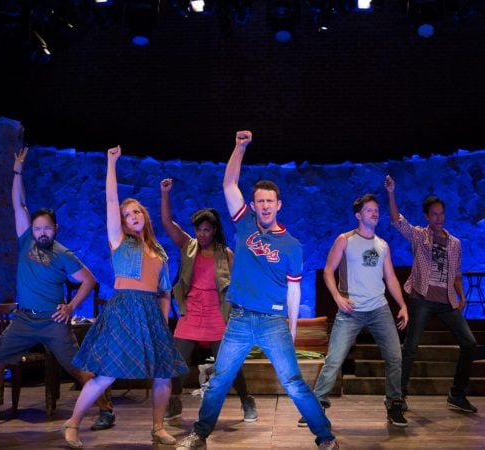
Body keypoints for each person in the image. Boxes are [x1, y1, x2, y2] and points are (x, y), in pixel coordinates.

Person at [176, 131, 338, 450]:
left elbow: (294, 292)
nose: (265, 206)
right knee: (219, 380)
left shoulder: (292, 246)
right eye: (260, 201)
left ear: (279, 205)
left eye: (270, 201)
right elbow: (228, 185)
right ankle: (200, 434)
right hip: (238, 319)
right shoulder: (246, 224)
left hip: (273, 322)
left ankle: (326, 437)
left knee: (293, 383)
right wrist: (239, 148)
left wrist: (292, 329)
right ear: (254, 205)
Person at [0, 147, 113, 431]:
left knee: (77, 368)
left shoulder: (63, 254)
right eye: (37, 228)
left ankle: (106, 410)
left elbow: (89, 280)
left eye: (46, 228)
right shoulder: (26, 241)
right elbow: (18, 206)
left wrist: (71, 307)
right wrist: (17, 171)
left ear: (55, 229)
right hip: (24, 319)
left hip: (53, 321)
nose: (41, 233)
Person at [62, 145, 188, 448]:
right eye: (126, 213)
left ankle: (157, 428)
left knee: (163, 374)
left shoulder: (158, 251)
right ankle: (72, 423)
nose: (132, 215)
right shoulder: (119, 242)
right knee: (106, 374)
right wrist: (111, 164)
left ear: (143, 215)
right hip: (124, 307)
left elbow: (165, 291)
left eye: (136, 211)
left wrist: (161, 321)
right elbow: (110, 200)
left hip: (150, 312)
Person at [300, 193, 409, 427]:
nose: (375, 212)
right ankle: (316, 406)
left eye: (376, 209)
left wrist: (402, 305)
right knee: (334, 359)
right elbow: (328, 271)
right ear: (359, 215)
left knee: (395, 357)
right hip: (351, 309)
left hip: (379, 308)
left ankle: (394, 404)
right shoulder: (345, 240)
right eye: (369, 210)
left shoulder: (382, 245)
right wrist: (338, 297)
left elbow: (390, 278)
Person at [159, 178, 258, 423]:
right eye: (198, 229)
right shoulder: (188, 247)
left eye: (206, 230)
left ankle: (247, 400)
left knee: (229, 364)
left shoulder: (226, 254)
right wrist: (165, 194)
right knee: (177, 360)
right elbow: (166, 223)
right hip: (191, 311)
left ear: (214, 231)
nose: (201, 234)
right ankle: (174, 401)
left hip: (217, 313)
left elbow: (238, 286)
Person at [384, 174, 478, 413]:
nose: (439, 218)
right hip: (422, 298)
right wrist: (392, 192)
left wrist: (462, 296)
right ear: (427, 216)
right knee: (411, 347)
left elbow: (456, 272)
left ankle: (457, 395)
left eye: (441, 214)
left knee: (469, 343)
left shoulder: (455, 243)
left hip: (446, 300)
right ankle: (399, 396)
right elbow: (397, 220)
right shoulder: (419, 235)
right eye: (434, 214)